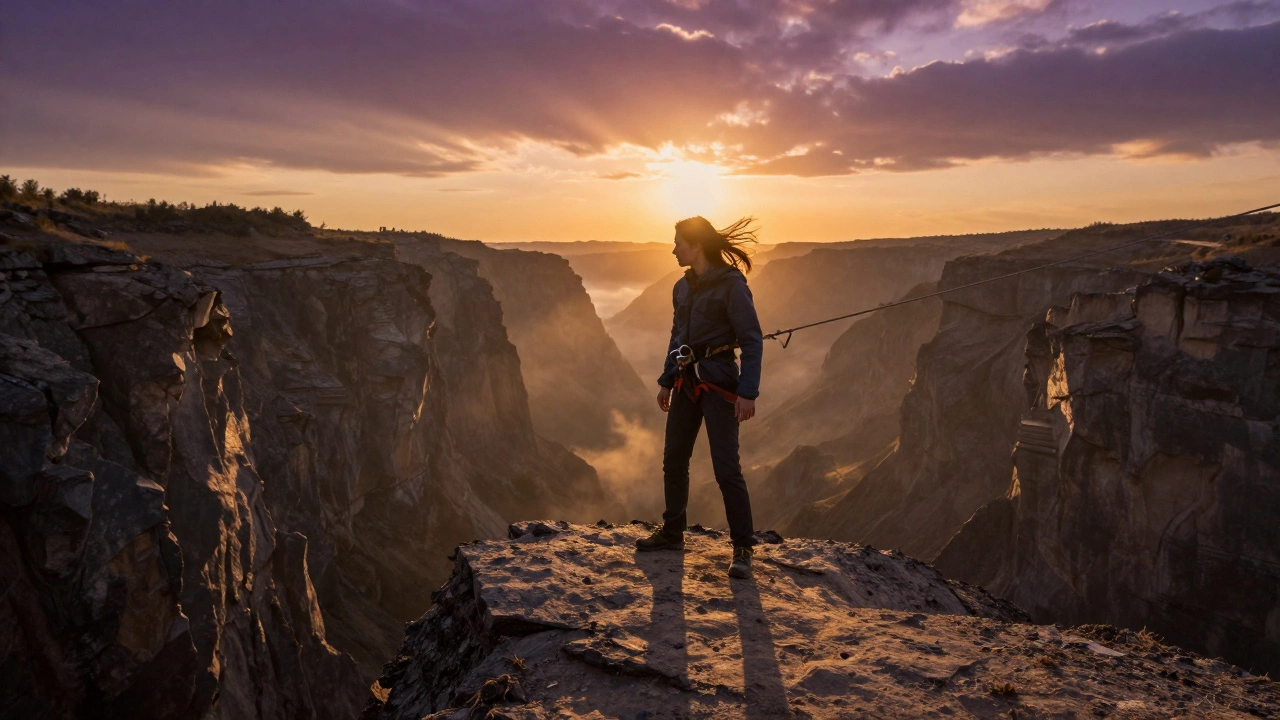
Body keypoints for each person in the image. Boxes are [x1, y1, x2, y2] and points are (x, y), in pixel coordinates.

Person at [634, 216, 764, 580]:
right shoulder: (681, 287)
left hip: (721, 384)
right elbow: (677, 338)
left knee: (726, 469)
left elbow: (752, 340)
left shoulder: (732, 287)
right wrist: (666, 379)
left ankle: (742, 548)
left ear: (696, 246)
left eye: (679, 243)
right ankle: (673, 532)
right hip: (685, 384)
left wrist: (747, 393)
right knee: (674, 459)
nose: (674, 249)